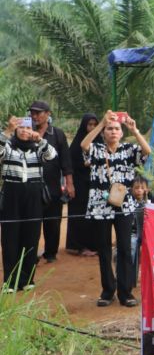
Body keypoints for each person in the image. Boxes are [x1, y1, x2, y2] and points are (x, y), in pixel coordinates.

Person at [81, 110, 152, 308]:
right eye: (109, 129)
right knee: (103, 249)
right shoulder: (96, 149)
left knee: (125, 249)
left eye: (116, 129)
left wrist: (135, 130)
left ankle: (125, 292)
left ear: (121, 133)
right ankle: (107, 290)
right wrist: (101, 123)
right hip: (99, 206)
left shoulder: (129, 149)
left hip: (124, 206)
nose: (113, 132)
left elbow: (147, 152)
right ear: (104, 132)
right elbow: (83, 145)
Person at [0, 117, 57, 292]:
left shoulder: (37, 149)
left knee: (31, 237)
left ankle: (27, 279)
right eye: (21, 128)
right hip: (12, 195)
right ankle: (10, 281)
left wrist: (39, 139)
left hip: (33, 196)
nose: (24, 131)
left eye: (28, 128)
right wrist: (7, 131)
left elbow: (52, 155)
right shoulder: (8, 147)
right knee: (10, 238)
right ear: (16, 130)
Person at [28, 101, 73, 263]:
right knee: (32, 222)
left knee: (53, 221)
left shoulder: (58, 134)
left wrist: (69, 183)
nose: (34, 116)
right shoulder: (26, 132)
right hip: (31, 186)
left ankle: (51, 252)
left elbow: (66, 162)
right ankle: (31, 255)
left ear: (48, 114)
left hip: (53, 185)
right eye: (32, 113)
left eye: (38, 113)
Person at [67, 113, 100, 256]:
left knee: (95, 214)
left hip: (96, 184)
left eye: (94, 124)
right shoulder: (76, 143)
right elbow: (70, 165)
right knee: (79, 214)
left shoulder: (100, 142)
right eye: (89, 124)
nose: (92, 127)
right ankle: (79, 246)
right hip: (79, 184)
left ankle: (94, 244)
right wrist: (70, 184)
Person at [129, 175, 150, 289]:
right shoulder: (129, 203)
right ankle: (131, 279)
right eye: (136, 188)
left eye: (142, 188)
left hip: (146, 234)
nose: (139, 190)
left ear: (147, 189)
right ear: (132, 189)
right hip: (133, 233)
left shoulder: (149, 204)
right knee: (132, 252)